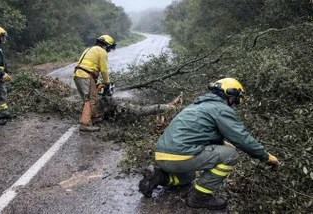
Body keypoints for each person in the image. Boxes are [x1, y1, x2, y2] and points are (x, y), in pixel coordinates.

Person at [138, 78, 280, 210]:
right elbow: (242, 138)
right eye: (236, 101)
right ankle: (198, 198)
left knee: (189, 177)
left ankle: (158, 176)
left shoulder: (197, 106)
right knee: (231, 155)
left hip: (163, 156)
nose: (235, 105)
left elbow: (202, 133)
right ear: (231, 96)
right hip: (180, 157)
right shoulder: (220, 109)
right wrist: (266, 157)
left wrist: (222, 142)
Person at [73, 35, 116, 132]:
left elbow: (90, 67)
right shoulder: (102, 52)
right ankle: (85, 124)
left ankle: (94, 117)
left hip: (78, 75)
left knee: (89, 98)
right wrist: (107, 83)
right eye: (109, 48)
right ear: (105, 45)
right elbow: (104, 70)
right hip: (85, 76)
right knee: (92, 99)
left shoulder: (90, 49)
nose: (109, 50)